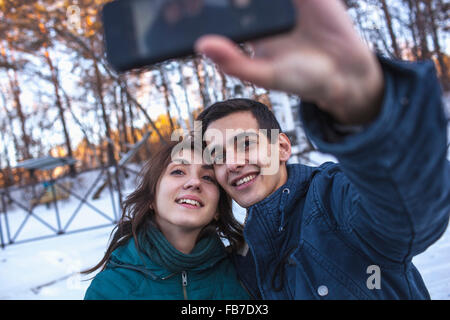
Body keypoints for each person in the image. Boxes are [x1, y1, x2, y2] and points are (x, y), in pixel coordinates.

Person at [194, 0, 450, 299]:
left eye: (246, 144)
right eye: (219, 155)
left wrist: (365, 107)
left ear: (282, 147)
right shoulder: (242, 259)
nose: (233, 163)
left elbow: (409, 207)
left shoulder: (336, 200)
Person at [83, 140, 251, 300]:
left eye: (208, 177)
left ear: (217, 210)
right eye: (178, 171)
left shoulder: (242, 274)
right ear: (151, 199)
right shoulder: (109, 289)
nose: (194, 182)